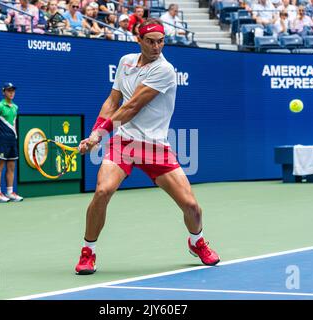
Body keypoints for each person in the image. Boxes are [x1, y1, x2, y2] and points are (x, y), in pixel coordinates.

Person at [74, 18, 220, 275]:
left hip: (154, 147)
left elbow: (131, 107)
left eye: (161, 41)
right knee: (102, 192)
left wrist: (98, 136)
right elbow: (113, 100)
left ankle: (197, 242)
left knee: (192, 207)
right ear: (138, 40)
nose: (156, 47)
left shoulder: (164, 70)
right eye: (150, 41)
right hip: (124, 143)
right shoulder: (125, 62)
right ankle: (88, 251)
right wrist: (97, 131)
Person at [0, 83, 24, 203]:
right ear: (3, 92)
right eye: (9, 90)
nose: (11, 92)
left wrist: (15, 137)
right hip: (1, 140)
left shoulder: (15, 107)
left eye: (13, 90)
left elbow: (13, 124)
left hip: (12, 140)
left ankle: (10, 192)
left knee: (11, 166)